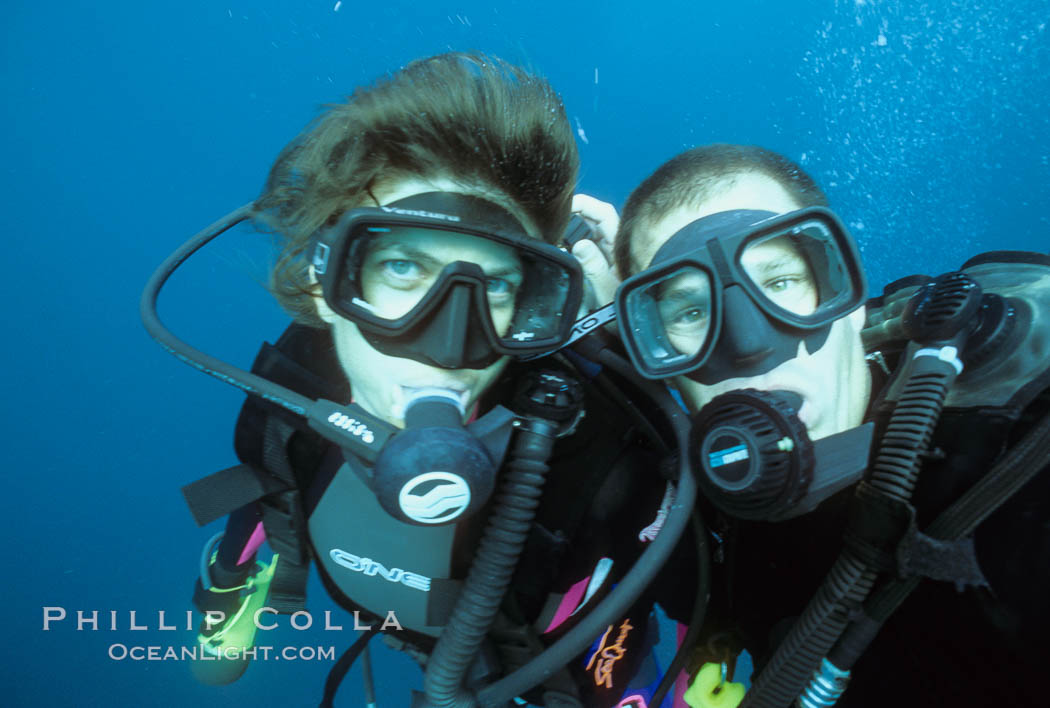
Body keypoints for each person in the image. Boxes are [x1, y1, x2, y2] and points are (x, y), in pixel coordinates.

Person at [142, 53, 698, 708]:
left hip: (554, 659)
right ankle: (233, 586)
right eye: (403, 267)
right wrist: (232, 577)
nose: (446, 347)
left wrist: (647, 340)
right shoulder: (296, 392)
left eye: (495, 285)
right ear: (325, 281)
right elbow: (263, 493)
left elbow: (718, 590)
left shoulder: (602, 447)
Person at [599, 143, 1050, 706]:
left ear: (849, 290)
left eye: (782, 282)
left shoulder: (1014, 449)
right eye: (691, 311)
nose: (748, 346)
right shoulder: (684, 509)